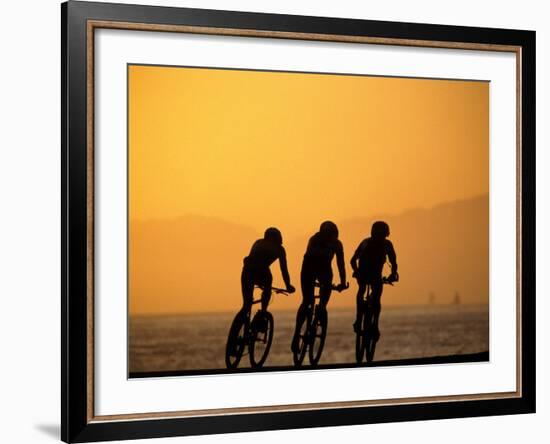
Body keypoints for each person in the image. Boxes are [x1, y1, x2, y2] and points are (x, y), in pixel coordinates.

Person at [291, 221, 347, 352]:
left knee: (322, 302)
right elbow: (311, 258)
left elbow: (340, 264)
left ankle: (320, 310)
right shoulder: (314, 239)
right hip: (309, 267)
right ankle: (296, 335)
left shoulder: (337, 244)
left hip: (324, 270)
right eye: (329, 236)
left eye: (333, 236)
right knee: (307, 300)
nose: (331, 239)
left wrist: (343, 282)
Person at [350, 221, 398, 339]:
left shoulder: (366, 242)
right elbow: (393, 262)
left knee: (363, 291)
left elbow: (352, 260)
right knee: (375, 296)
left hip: (366, 274)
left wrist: (356, 270)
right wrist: (393, 274)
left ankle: (360, 320)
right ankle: (372, 324)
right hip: (370, 275)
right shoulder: (386, 244)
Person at [241, 227, 295, 315]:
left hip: (247, 271)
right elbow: (284, 269)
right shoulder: (279, 249)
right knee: (268, 284)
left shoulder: (258, 242)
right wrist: (288, 285)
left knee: (246, 307)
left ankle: (235, 327)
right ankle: (263, 311)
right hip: (261, 272)